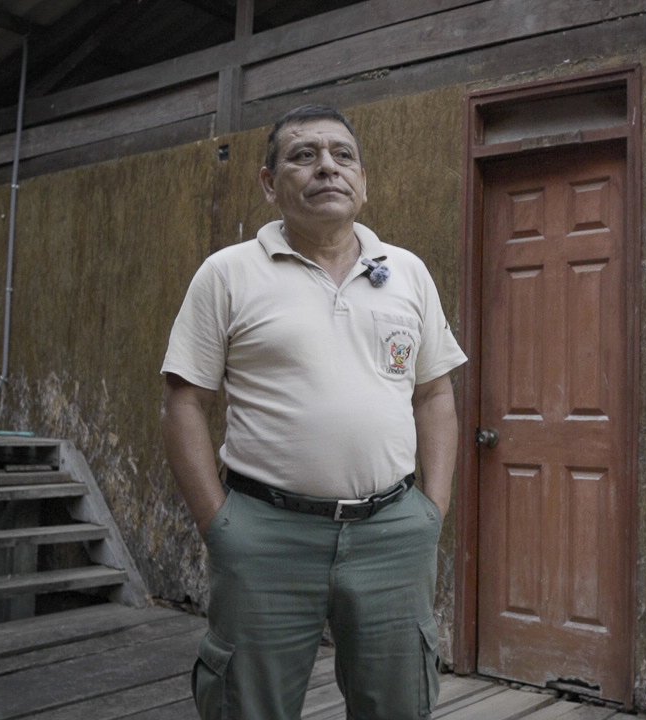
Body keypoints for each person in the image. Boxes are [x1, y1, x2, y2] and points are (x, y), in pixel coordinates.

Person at [160, 104, 466, 720]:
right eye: (304, 155)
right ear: (269, 183)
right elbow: (184, 400)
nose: (327, 166)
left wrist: (431, 510)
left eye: (342, 155)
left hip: (392, 532)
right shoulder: (228, 274)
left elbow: (434, 394)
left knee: (399, 704)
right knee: (250, 704)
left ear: (363, 180)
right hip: (265, 534)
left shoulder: (406, 273)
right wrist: (219, 526)